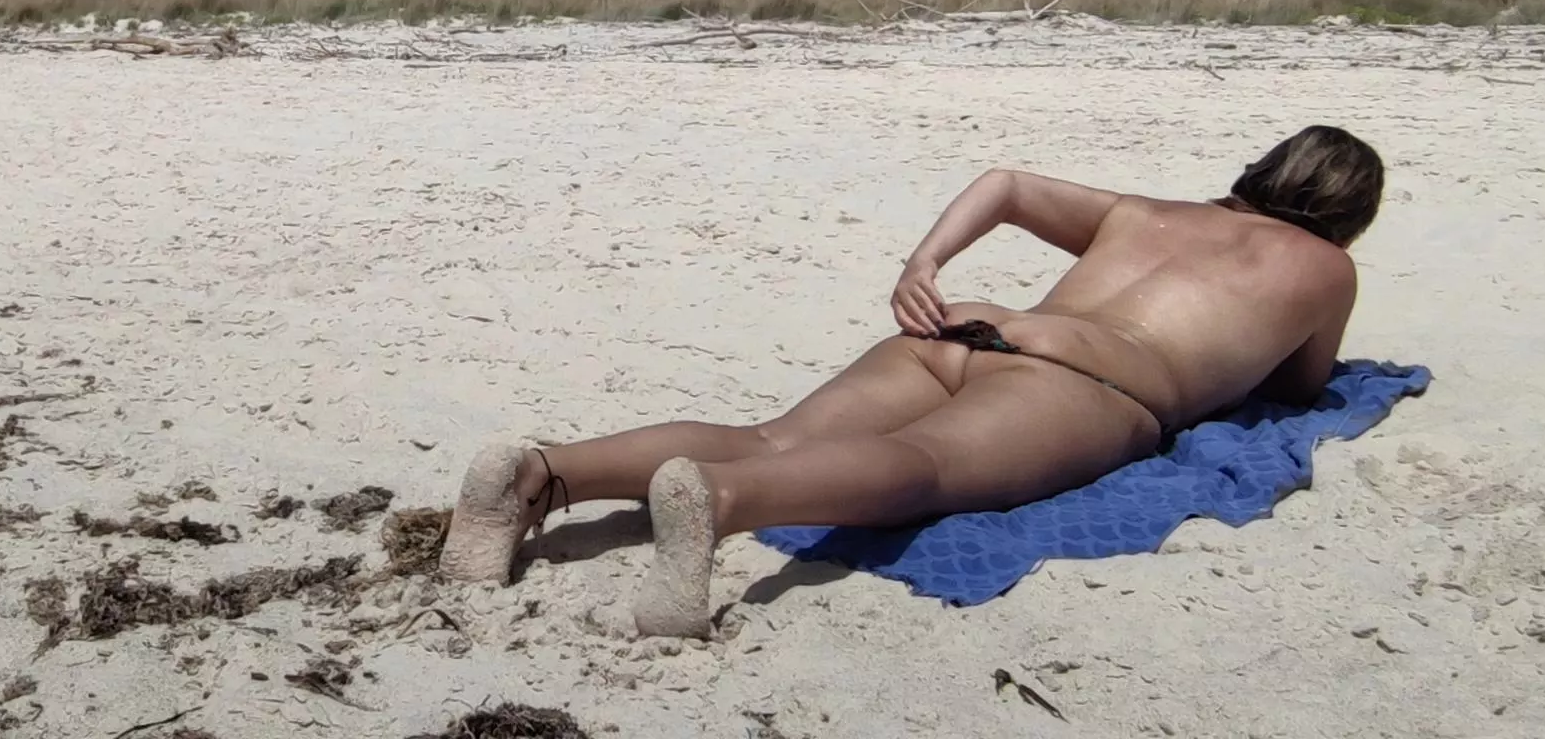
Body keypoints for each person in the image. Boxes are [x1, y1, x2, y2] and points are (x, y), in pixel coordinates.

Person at [441, 126, 1383, 638]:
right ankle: (725, 503)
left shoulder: (1145, 213)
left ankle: (542, 473)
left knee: (775, 432)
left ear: (1256, 170)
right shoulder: (1323, 271)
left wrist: (920, 265)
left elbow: (1005, 180)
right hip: (1084, 383)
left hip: (965, 326)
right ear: (1348, 217)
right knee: (918, 469)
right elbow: (1301, 391)